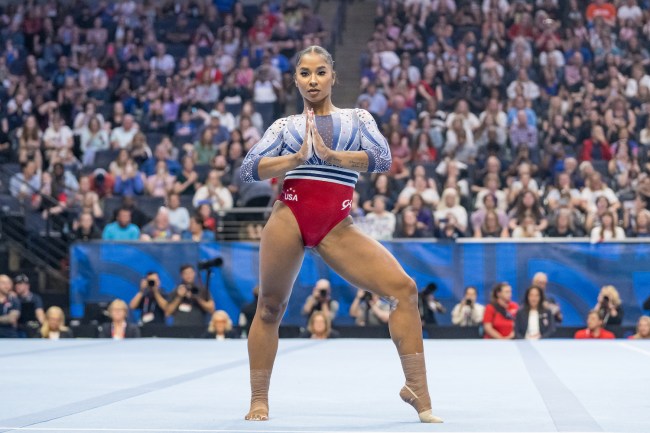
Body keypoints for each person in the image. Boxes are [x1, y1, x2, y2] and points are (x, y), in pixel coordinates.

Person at [240, 46, 442, 422]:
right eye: (304, 73)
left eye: (319, 73)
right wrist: (294, 159)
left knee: (404, 289)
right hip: (289, 216)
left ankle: (418, 389)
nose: (312, 81)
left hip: (337, 224)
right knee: (269, 307)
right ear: (296, 79)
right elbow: (249, 168)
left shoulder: (357, 119)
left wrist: (333, 156)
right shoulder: (286, 126)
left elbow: (382, 159)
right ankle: (258, 399)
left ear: (333, 76)